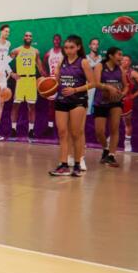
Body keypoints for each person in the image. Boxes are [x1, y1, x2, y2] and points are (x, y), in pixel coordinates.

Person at [48, 35, 94, 177]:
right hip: (62, 100)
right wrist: (49, 83)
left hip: (78, 100)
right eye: (66, 47)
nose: (68, 50)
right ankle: (63, 165)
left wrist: (75, 90)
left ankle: (78, 165)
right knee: (62, 132)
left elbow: (92, 83)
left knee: (76, 133)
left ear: (78, 47)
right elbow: (57, 81)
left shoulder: (83, 62)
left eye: (71, 47)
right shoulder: (62, 61)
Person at [93, 47, 127, 167]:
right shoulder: (100, 66)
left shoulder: (121, 70)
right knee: (99, 131)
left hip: (116, 102)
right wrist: (108, 87)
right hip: (101, 101)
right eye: (119, 54)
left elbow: (126, 86)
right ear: (111, 56)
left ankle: (112, 155)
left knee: (114, 129)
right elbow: (96, 83)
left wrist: (123, 93)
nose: (121, 57)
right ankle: (106, 149)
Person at [9, 31, 46, 139]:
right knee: (15, 106)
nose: (28, 37)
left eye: (30, 36)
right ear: (23, 37)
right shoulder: (17, 50)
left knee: (32, 107)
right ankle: (13, 129)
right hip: (20, 80)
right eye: (26, 35)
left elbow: (40, 68)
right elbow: (5, 63)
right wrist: (11, 73)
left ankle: (31, 130)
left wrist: (45, 77)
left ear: (32, 38)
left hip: (31, 80)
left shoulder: (36, 51)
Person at [120, 55, 138, 152]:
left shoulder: (133, 73)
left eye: (127, 60)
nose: (124, 62)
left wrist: (134, 95)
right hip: (115, 99)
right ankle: (112, 137)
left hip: (127, 99)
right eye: (123, 60)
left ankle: (127, 142)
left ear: (130, 62)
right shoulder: (114, 71)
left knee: (127, 121)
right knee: (112, 121)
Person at [42, 34, 64, 137]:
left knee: (63, 104)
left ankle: (63, 128)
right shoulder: (49, 53)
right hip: (52, 80)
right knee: (51, 105)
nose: (56, 41)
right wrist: (46, 74)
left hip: (63, 79)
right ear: (53, 41)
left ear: (60, 41)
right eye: (55, 39)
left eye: (58, 40)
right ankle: (50, 127)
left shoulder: (63, 52)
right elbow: (42, 64)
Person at [86, 38, 102, 114]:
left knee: (97, 109)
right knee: (88, 108)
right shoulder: (85, 58)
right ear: (90, 46)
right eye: (93, 44)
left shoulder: (101, 58)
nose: (95, 46)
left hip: (99, 86)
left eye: (97, 44)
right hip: (89, 85)